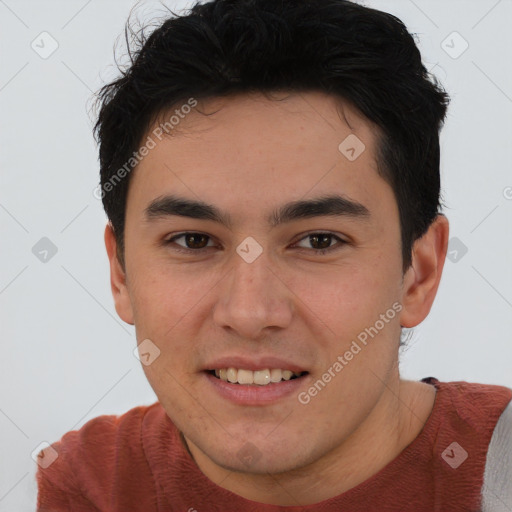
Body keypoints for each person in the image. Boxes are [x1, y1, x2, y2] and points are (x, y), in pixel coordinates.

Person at [35, 0, 512, 510]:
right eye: (194, 241)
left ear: (418, 273)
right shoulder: (90, 485)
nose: (250, 313)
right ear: (121, 273)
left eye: (319, 241)